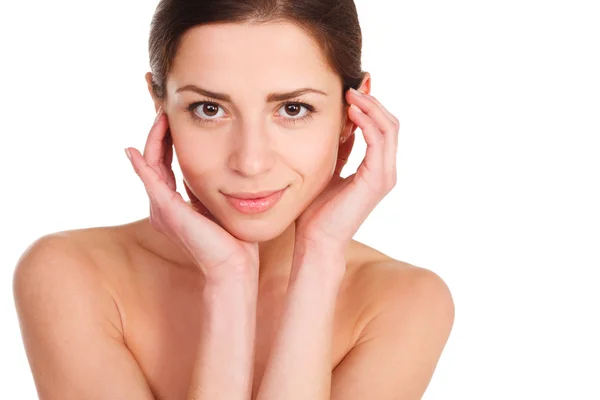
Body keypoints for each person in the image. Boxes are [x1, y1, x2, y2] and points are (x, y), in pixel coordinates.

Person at [12, 0, 454, 399]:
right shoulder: (70, 275)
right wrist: (227, 279)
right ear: (160, 105)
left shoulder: (404, 302)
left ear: (351, 112)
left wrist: (319, 259)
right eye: (209, 108)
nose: (250, 162)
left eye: (293, 109)